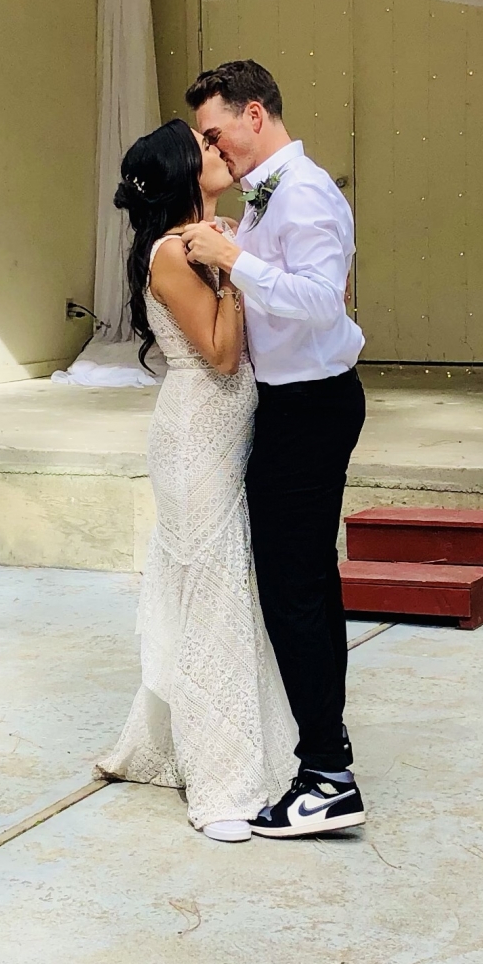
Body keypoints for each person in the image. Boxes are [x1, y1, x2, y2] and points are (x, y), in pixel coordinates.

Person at [181, 59, 368, 839]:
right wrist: (240, 241)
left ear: (254, 113)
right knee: (308, 585)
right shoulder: (269, 194)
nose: (211, 148)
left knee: (293, 591)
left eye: (215, 131)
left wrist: (234, 260)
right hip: (296, 405)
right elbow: (283, 277)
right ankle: (328, 752)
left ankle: (326, 776)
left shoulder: (305, 191)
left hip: (311, 407)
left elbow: (322, 301)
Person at [96, 120, 297, 842]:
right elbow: (219, 352)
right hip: (195, 440)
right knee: (213, 596)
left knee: (226, 588)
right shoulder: (173, 253)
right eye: (205, 147)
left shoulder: (203, 239)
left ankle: (181, 741)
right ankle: (222, 786)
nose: (219, 151)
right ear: (184, 169)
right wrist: (234, 269)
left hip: (226, 433)